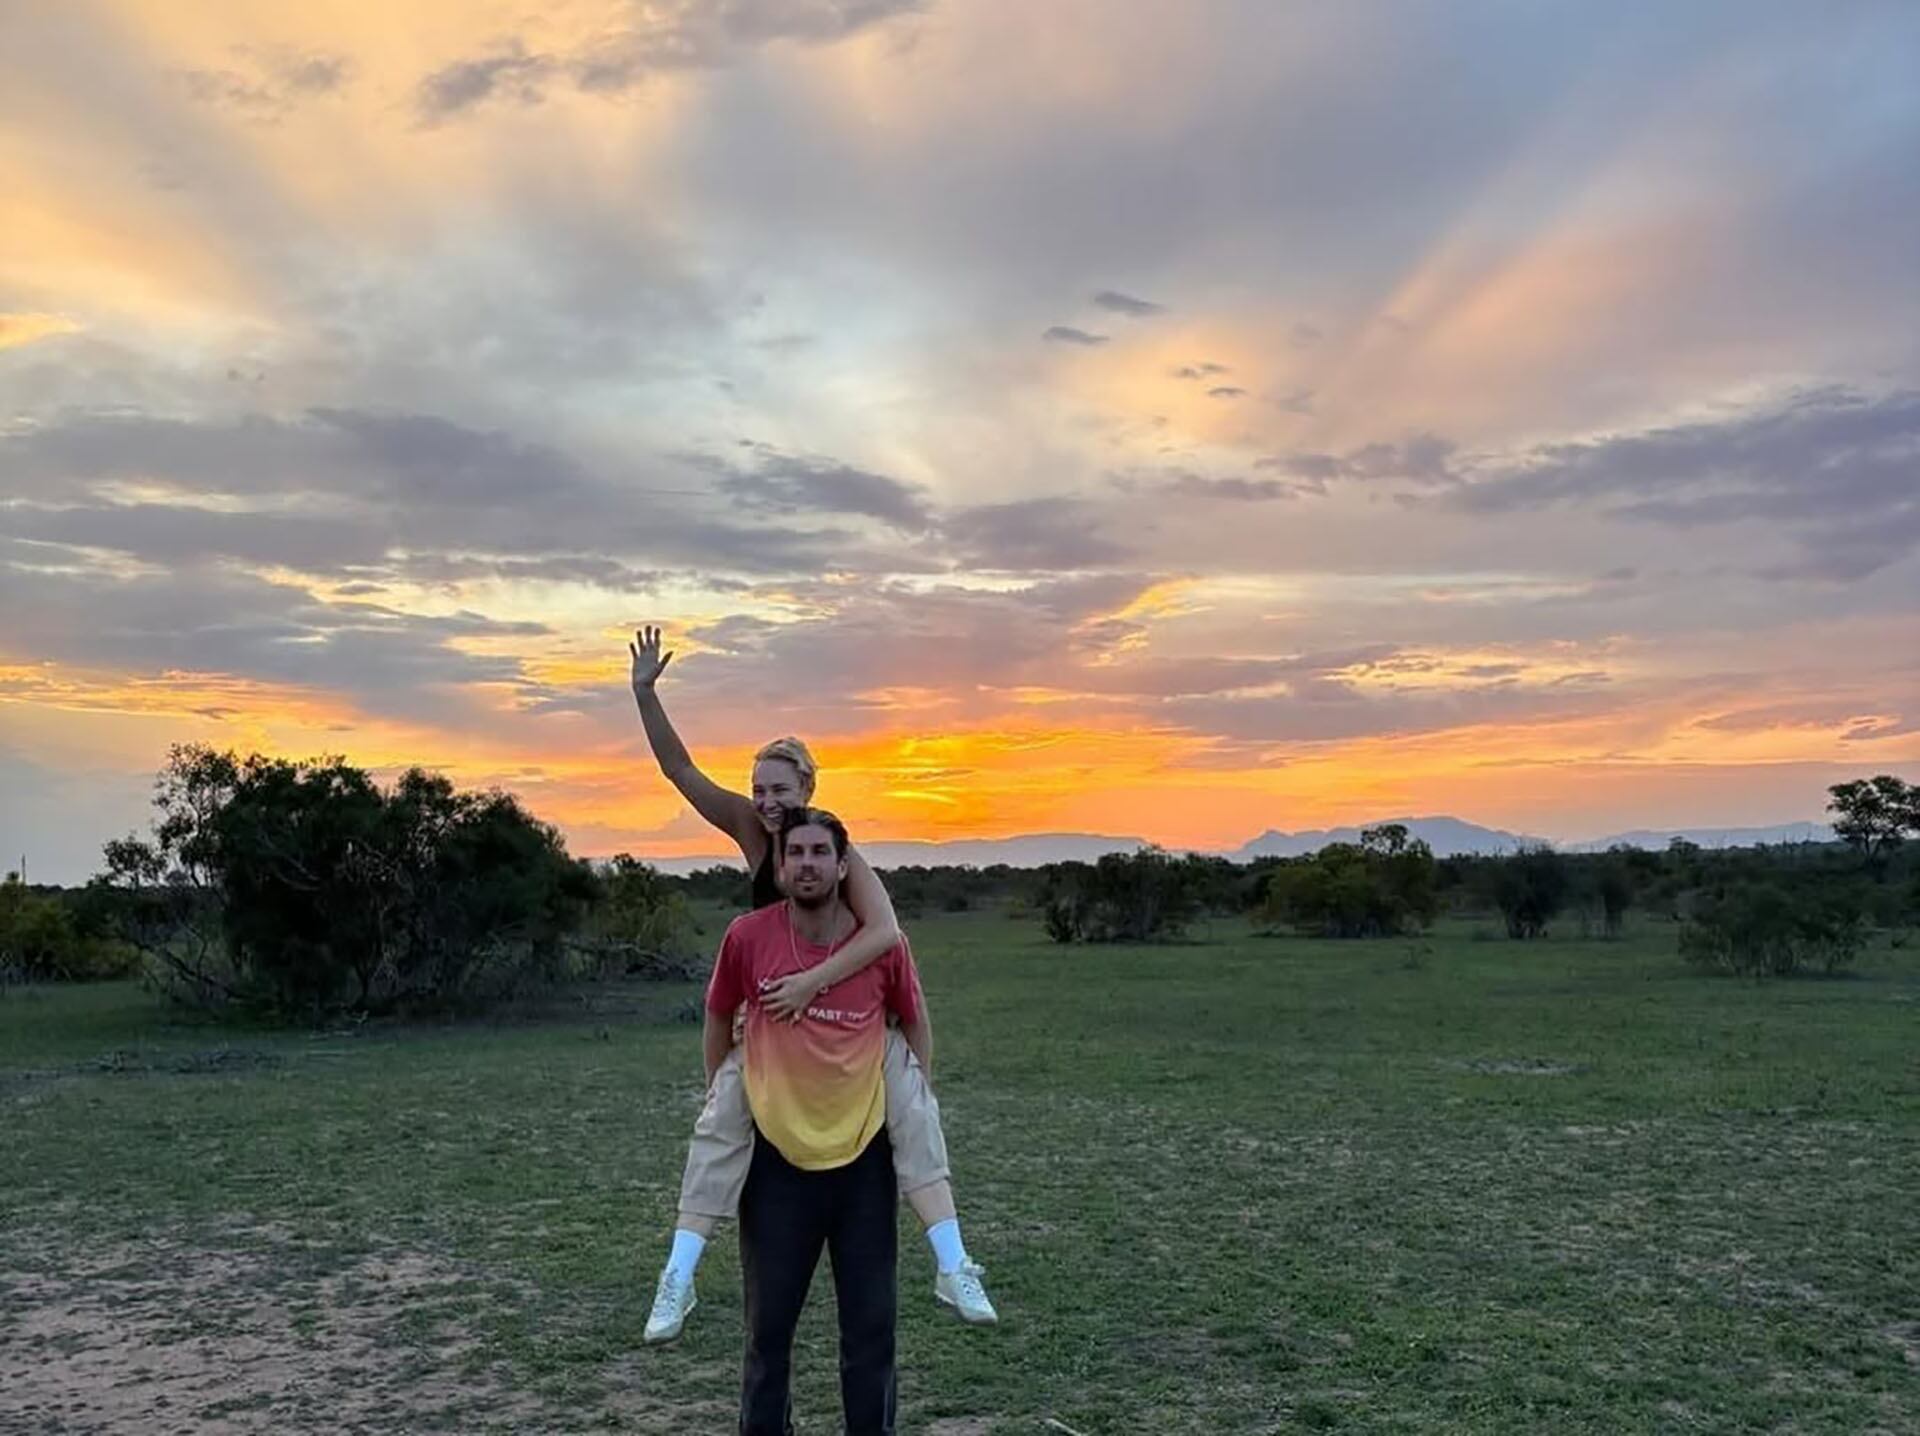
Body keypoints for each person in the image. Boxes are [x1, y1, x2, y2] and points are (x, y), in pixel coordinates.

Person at [629, 627, 997, 1342]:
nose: (767, 801)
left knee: (908, 1105)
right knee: (723, 1118)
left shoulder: (833, 850)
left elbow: (887, 934)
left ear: (808, 790)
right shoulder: (750, 828)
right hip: (772, 1027)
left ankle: (953, 1264)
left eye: (781, 789)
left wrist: (809, 985)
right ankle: (678, 1276)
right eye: (760, 788)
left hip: (842, 1020)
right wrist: (646, 694)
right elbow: (680, 771)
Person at [709, 807, 916, 1432]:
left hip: (863, 1164)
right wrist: (723, 1100)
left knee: (871, 1329)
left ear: (842, 865)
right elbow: (719, 1015)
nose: (806, 863)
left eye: (819, 853)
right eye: (794, 852)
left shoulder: (879, 946)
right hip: (776, 1166)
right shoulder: (746, 936)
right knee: (768, 1333)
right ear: (778, 865)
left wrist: (915, 1110)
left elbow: (912, 1020)